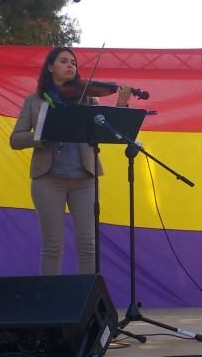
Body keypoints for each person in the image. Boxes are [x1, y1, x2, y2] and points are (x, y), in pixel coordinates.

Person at [10, 46, 132, 275]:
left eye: (73, 63)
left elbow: (110, 130)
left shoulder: (88, 99)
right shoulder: (34, 101)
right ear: (50, 67)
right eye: (64, 61)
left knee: (88, 245)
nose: (70, 66)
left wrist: (122, 104)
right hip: (48, 180)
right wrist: (42, 136)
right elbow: (15, 139)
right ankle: (49, 303)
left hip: (85, 179)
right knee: (52, 246)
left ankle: (86, 304)